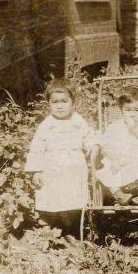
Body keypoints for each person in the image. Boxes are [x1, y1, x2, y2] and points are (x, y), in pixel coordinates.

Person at [25, 78, 95, 236]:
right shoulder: (46, 125)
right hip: (52, 168)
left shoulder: (77, 121)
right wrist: (36, 171)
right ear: (48, 104)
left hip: (74, 167)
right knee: (52, 197)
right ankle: (51, 228)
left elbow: (89, 136)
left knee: (73, 199)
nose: (60, 106)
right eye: (55, 102)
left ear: (73, 102)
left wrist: (92, 147)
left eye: (64, 101)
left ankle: (71, 227)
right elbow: (36, 149)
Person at [95, 88, 138, 206]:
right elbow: (106, 144)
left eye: (137, 110)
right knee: (108, 170)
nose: (132, 114)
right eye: (127, 110)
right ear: (121, 110)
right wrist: (114, 159)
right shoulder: (115, 125)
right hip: (118, 160)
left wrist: (134, 129)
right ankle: (119, 195)